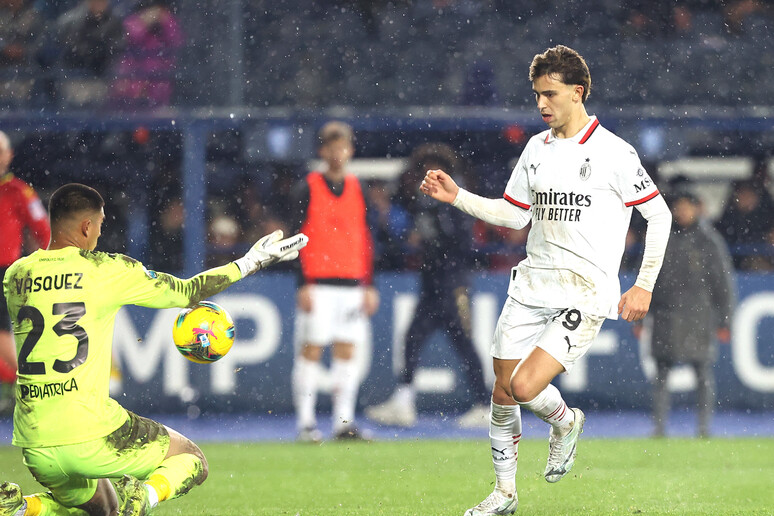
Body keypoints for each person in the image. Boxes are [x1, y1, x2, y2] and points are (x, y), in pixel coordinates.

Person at [419, 45, 672, 515]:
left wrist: (644, 285)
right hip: (531, 285)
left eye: (550, 94)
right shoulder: (536, 148)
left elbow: (659, 215)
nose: (541, 104)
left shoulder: (615, 152)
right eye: (537, 94)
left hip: (586, 291)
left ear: (578, 93)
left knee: (524, 387)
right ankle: (504, 494)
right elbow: (513, 217)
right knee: (501, 390)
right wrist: (458, 197)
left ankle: (565, 422)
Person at [0, 183, 307, 516]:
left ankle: (20, 508)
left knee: (104, 508)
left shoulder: (17, 274)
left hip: (34, 439)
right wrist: (252, 262)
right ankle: (145, 496)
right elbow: (190, 291)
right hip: (89, 431)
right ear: (86, 226)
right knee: (191, 460)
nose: (100, 235)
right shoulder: (106, 270)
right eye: (100, 225)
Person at [365, 143, 492, 429]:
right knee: (415, 340)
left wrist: (431, 236)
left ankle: (484, 404)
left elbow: (462, 241)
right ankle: (405, 401)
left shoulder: (456, 200)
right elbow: (405, 227)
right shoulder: (422, 201)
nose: (428, 175)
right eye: (424, 169)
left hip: (453, 282)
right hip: (434, 281)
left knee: (463, 342)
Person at [290, 121, 379, 442]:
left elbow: (368, 239)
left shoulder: (360, 188)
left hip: (352, 284)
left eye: (342, 146)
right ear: (322, 151)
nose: (338, 153)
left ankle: (343, 422)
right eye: (332, 147)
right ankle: (306, 423)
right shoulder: (307, 187)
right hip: (318, 283)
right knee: (310, 351)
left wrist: (370, 284)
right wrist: (302, 283)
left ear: (350, 150)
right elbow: (296, 238)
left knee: (346, 352)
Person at [644, 186, 735, 438]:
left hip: (699, 317)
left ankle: (704, 428)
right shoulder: (663, 238)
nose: (681, 211)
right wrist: (642, 315)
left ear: (697, 208)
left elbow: (722, 284)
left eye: (686, 206)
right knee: (662, 374)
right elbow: (648, 279)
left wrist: (725, 319)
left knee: (702, 373)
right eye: (678, 207)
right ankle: (659, 428)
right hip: (666, 315)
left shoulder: (709, 241)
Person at [0, 131, 51, 411]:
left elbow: (42, 229)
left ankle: (27, 385)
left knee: (2, 335)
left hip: (3, 271)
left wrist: (44, 262)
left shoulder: (19, 191)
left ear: (9, 156)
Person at [57, 0, 124, 76]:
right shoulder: (72, 22)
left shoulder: (114, 22)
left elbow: (118, 47)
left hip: (105, 73)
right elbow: (70, 48)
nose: (99, 4)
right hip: (75, 72)